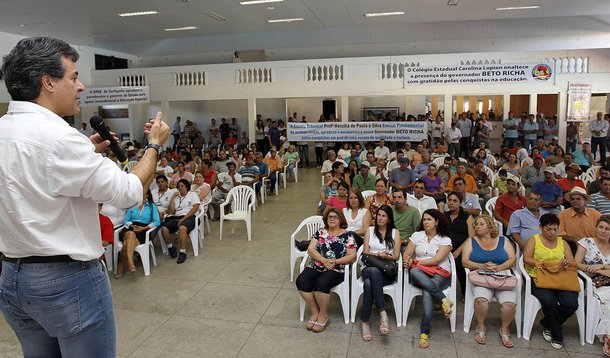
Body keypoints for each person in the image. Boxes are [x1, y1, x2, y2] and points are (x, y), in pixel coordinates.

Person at [0, 37, 170, 357]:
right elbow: (131, 193)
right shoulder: (60, 138)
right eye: (74, 76)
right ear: (48, 82)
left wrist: (87, 155)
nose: (81, 85)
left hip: (12, 277)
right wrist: (154, 146)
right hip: (65, 281)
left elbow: (33, 179)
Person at [296, 208, 357, 333]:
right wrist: (324, 261)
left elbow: (352, 255)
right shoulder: (320, 232)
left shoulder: (348, 235)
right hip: (318, 264)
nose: (332, 219)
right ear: (326, 219)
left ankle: (323, 315)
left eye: (335, 216)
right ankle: (315, 311)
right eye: (330, 217)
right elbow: (311, 249)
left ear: (340, 219)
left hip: (337, 268)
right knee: (301, 281)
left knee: (321, 284)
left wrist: (335, 262)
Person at [523, 214, 578, 350]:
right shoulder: (534, 240)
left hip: (561, 278)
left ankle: (548, 324)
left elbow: (572, 262)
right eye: (549, 229)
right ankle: (557, 334)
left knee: (571, 304)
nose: (552, 233)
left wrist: (566, 262)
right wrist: (540, 263)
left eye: (555, 229)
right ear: (541, 227)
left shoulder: (563, 242)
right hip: (539, 277)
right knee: (549, 302)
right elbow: (526, 258)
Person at [462, 215, 518, 348]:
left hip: (501, 275)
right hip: (482, 277)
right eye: (476, 224)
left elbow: (512, 259)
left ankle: (504, 329)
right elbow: (465, 261)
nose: (477, 226)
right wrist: (482, 266)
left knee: (509, 304)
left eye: (481, 224)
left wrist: (499, 267)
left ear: (490, 226)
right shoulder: (471, 241)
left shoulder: (503, 240)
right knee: (481, 300)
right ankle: (480, 326)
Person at [403, 209, 454, 349]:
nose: (426, 222)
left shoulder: (445, 239)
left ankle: (424, 332)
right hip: (420, 273)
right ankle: (444, 300)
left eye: (429, 219)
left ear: (436, 222)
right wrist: (408, 260)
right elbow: (407, 253)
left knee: (427, 292)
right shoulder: (417, 235)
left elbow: (437, 259)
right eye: (424, 219)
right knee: (413, 271)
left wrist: (417, 262)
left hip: (440, 273)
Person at [359, 205, 401, 341]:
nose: (380, 218)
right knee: (373, 272)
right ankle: (383, 314)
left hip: (387, 272)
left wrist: (386, 256)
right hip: (369, 268)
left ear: (389, 219)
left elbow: (396, 256)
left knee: (369, 284)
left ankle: (365, 322)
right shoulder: (370, 231)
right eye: (379, 215)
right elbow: (365, 252)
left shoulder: (395, 233)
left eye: (384, 216)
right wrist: (378, 254)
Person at [575, 215, 610, 356]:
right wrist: (591, 269)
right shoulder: (587, 242)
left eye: (607, 229)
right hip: (593, 282)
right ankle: (608, 338)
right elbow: (576, 263)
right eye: (600, 227)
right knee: (607, 302)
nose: (603, 231)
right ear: (596, 228)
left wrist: (601, 266)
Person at [116, 190, 161, 279]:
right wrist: (132, 225)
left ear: (147, 195)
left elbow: (157, 221)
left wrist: (144, 228)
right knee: (130, 234)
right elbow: (125, 220)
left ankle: (122, 264)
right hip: (130, 227)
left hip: (143, 229)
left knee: (126, 244)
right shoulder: (133, 206)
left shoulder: (152, 206)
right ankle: (130, 261)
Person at [159, 179, 200, 264]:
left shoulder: (192, 194)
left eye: (182, 186)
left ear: (187, 187)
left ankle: (182, 252)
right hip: (177, 217)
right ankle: (171, 247)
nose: (180, 188)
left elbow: (195, 208)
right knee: (164, 229)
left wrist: (183, 219)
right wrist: (173, 198)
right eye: (178, 186)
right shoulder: (177, 197)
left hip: (190, 217)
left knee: (182, 228)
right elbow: (171, 211)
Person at [445, 192, 475, 296]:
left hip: (463, 248)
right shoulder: (444, 216)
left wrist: (458, 251)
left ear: (460, 203)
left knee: (459, 264)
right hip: (446, 248)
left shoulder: (467, 217)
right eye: (450, 200)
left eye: (455, 201)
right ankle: (443, 293)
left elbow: (471, 236)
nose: (451, 203)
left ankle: (464, 292)